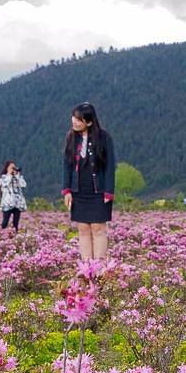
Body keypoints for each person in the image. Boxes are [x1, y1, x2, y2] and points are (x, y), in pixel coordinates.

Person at [61, 102, 116, 260]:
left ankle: (99, 267)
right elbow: (66, 165)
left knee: (98, 228)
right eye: (74, 117)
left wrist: (109, 191)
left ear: (89, 122)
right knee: (83, 229)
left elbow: (110, 165)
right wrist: (66, 190)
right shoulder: (71, 137)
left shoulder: (104, 138)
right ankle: (86, 267)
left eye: (79, 119)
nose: (74, 121)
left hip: (99, 190)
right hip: (78, 191)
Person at [0, 160, 28, 230]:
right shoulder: (3, 177)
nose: (13, 169)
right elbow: (5, 184)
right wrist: (9, 174)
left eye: (14, 167)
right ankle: (1, 234)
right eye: (11, 167)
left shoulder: (18, 177)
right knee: (5, 222)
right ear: (7, 168)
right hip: (7, 203)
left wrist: (17, 175)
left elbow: (24, 185)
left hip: (18, 203)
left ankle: (14, 236)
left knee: (16, 223)